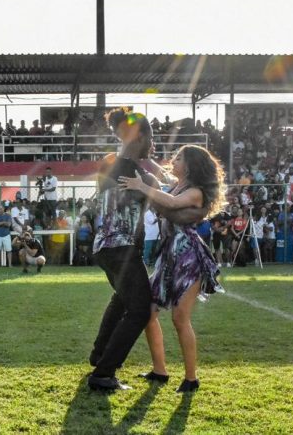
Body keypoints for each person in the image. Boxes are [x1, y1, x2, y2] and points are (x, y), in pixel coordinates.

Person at [87, 108, 205, 392]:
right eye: (150, 138)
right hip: (122, 249)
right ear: (138, 135)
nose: (154, 146)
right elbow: (171, 210)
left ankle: (99, 355)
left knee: (122, 300)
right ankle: (104, 374)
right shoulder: (136, 175)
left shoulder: (112, 165)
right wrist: (198, 213)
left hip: (105, 247)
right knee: (140, 311)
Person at [118, 144, 225, 393]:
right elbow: (162, 183)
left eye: (179, 158)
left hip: (188, 258)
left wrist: (142, 186)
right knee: (147, 312)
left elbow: (171, 202)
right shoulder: (179, 184)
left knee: (180, 318)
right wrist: (144, 160)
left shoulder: (195, 192)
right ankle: (160, 371)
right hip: (168, 256)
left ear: (190, 165)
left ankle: (191, 378)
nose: (173, 162)